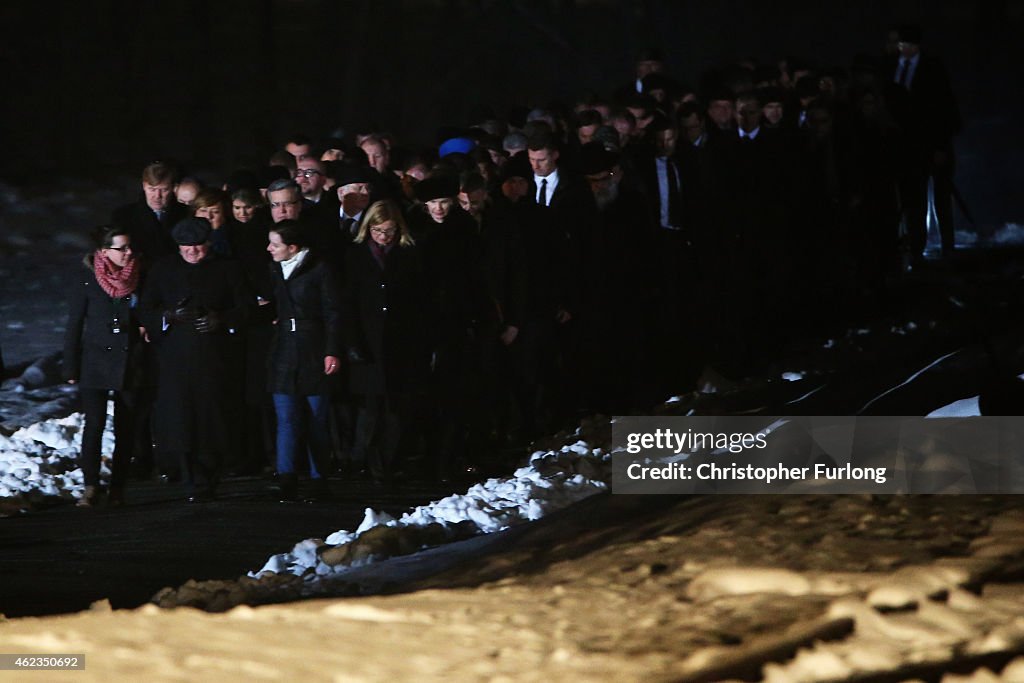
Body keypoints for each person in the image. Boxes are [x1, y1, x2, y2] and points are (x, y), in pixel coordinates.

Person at [139, 218, 252, 502]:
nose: (192, 252)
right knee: (180, 419)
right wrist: (167, 316)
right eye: (185, 247)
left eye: (198, 246)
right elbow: (145, 309)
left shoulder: (227, 268)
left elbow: (247, 307)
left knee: (212, 419)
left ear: (208, 244)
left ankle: (210, 476)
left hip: (215, 358)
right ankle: (188, 476)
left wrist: (221, 319)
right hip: (176, 360)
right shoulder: (163, 269)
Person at [341, 200, 429, 488]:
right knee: (369, 406)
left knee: (395, 407)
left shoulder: (408, 254)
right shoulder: (355, 255)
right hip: (367, 341)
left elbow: (419, 300)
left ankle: (387, 464)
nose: (383, 236)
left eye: (389, 231)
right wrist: (351, 341)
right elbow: (348, 303)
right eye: (378, 230)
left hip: (400, 342)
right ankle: (362, 458)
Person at [63, 226, 145, 507]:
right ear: (103, 252)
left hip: (129, 359)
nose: (128, 253)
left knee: (126, 427)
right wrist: (71, 366)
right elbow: (75, 324)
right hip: (95, 360)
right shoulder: (87, 279)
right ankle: (90, 486)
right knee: (94, 424)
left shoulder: (140, 275)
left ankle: (118, 487)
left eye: (129, 247)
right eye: (121, 248)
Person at [266, 220, 341, 501]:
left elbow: (333, 311)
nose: (269, 249)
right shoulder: (275, 268)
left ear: (293, 247)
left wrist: (331, 350)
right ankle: (286, 476)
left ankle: (319, 478)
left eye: (275, 244)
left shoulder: (319, 269)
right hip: (284, 348)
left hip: (313, 348)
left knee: (315, 417)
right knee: (285, 417)